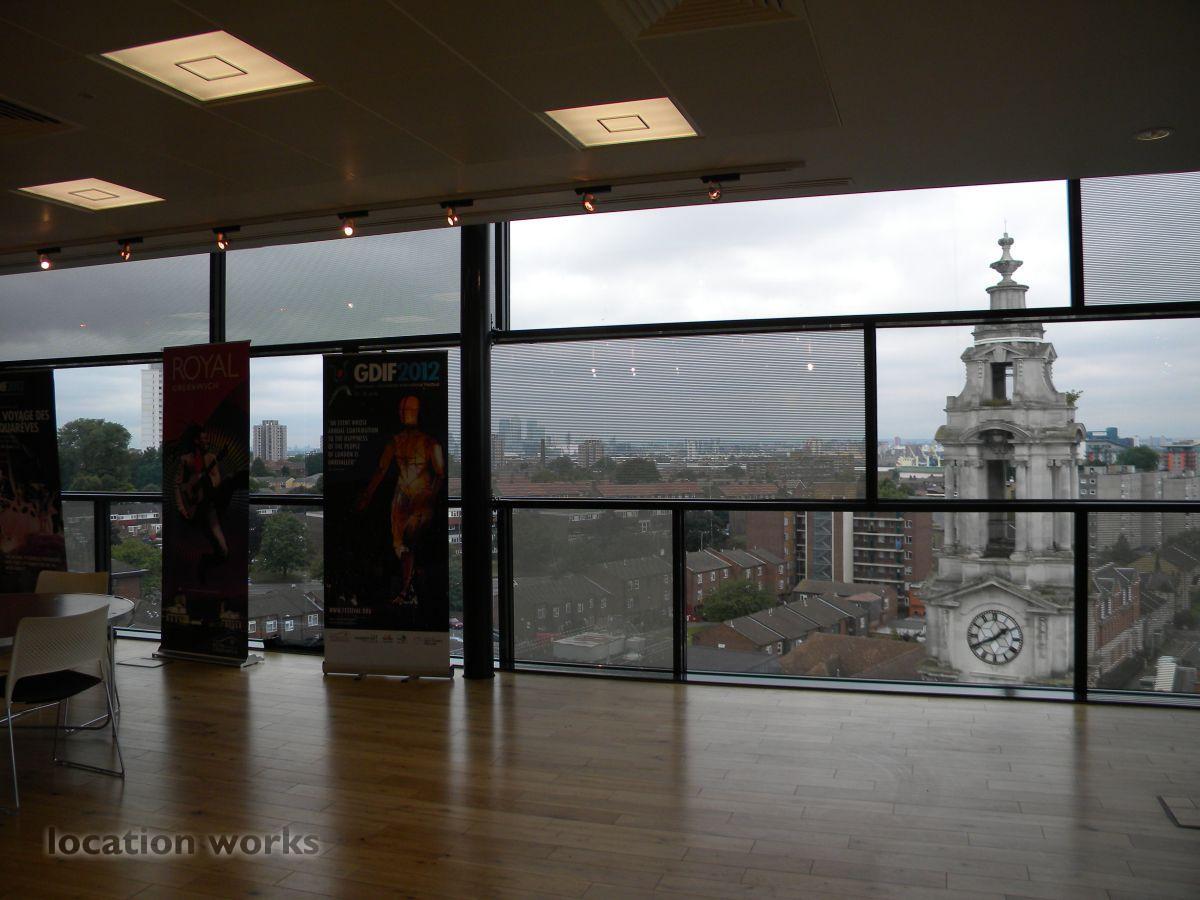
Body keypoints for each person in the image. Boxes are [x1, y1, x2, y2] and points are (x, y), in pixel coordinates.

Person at [357, 395, 445, 605]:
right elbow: (381, 469)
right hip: (401, 498)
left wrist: (429, 497)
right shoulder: (396, 441)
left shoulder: (429, 443)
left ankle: (406, 591)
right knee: (400, 546)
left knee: (410, 542)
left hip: (419, 498)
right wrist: (367, 495)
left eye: (409, 410)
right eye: (404, 410)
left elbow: (440, 474)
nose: (406, 413)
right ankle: (409, 589)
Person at [173, 425, 228, 582]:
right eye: (203, 439)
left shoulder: (211, 458)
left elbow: (216, 481)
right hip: (193, 510)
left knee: (223, 551)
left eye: (207, 439)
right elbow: (178, 485)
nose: (206, 442)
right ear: (196, 441)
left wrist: (207, 479)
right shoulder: (185, 460)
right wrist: (182, 507)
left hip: (208, 509)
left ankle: (205, 566)